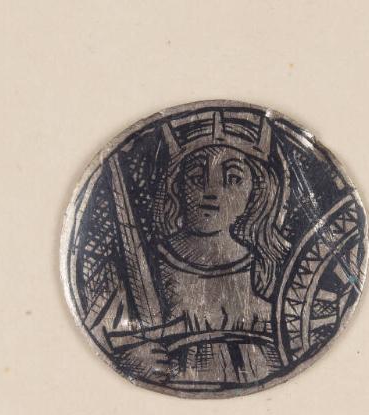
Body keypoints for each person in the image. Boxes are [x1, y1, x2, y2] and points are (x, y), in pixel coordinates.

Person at [92, 111, 291, 389]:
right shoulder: (146, 265)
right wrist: (131, 361)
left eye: (233, 178)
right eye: (197, 176)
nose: (212, 191)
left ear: (256, 192)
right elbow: (103, 334)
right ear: (176, 187)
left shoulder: (265, 265)